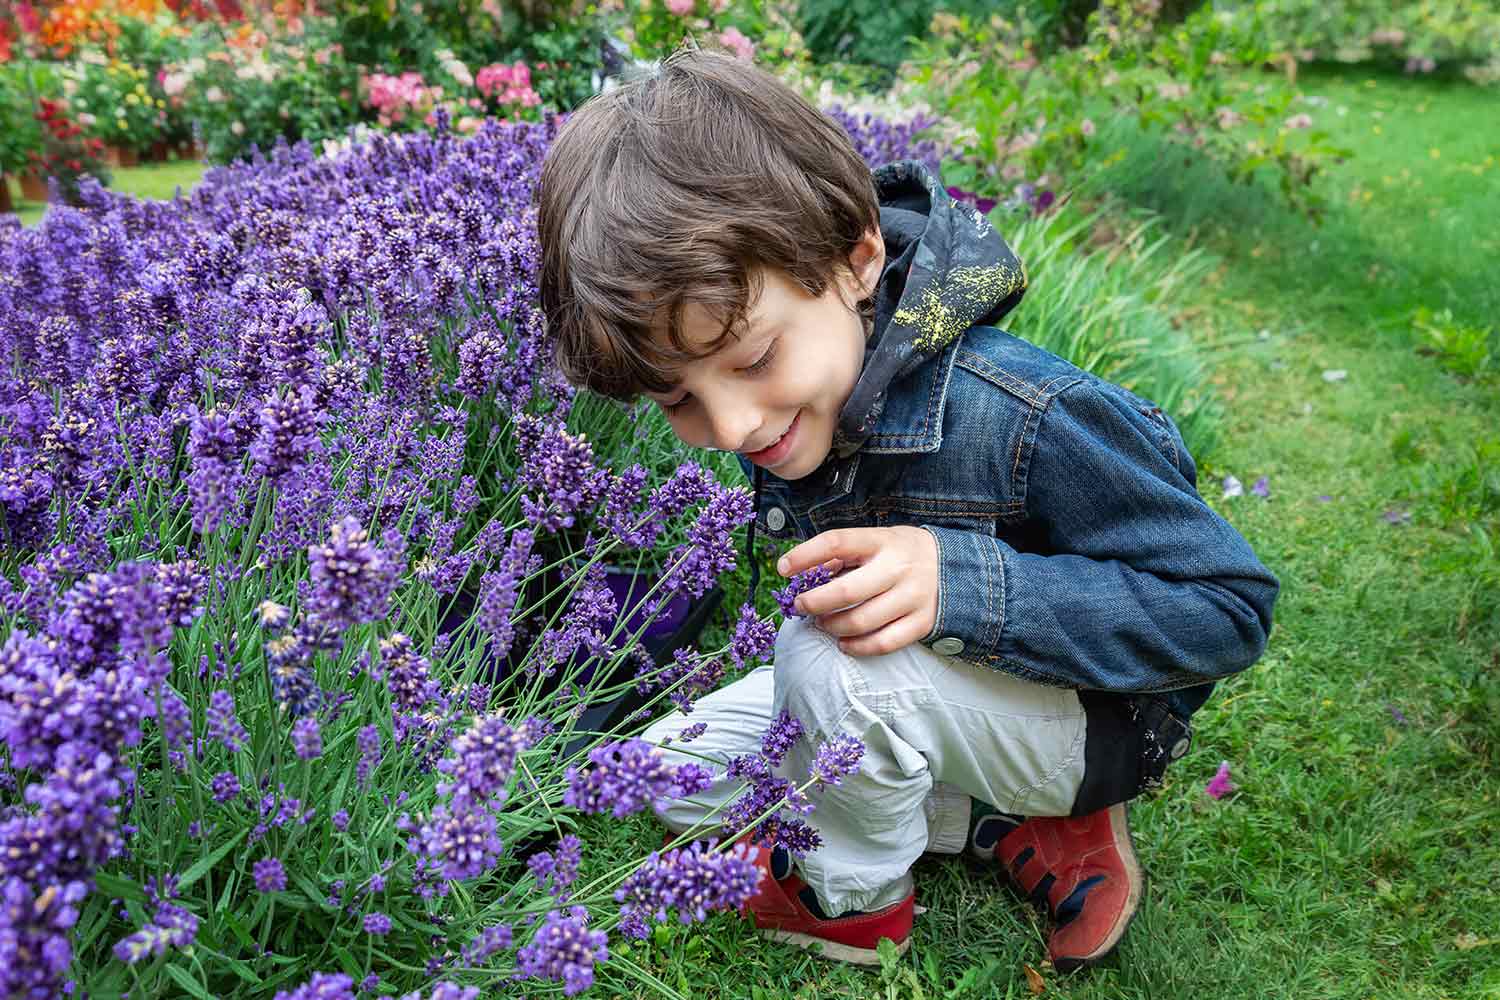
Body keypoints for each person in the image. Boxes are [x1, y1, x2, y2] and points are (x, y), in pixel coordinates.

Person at [535, 45, 1279, 972]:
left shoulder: (1022, 413)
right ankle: (994, 823)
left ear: (857, 260)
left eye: (753, 360)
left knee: (824, 667)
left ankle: (852, 900)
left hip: (1089, 722)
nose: (729, 424)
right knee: (652, 774)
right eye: (678, 399)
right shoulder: (810, 390)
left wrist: (961, 584)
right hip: (926, 694)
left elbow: (1230, 608)